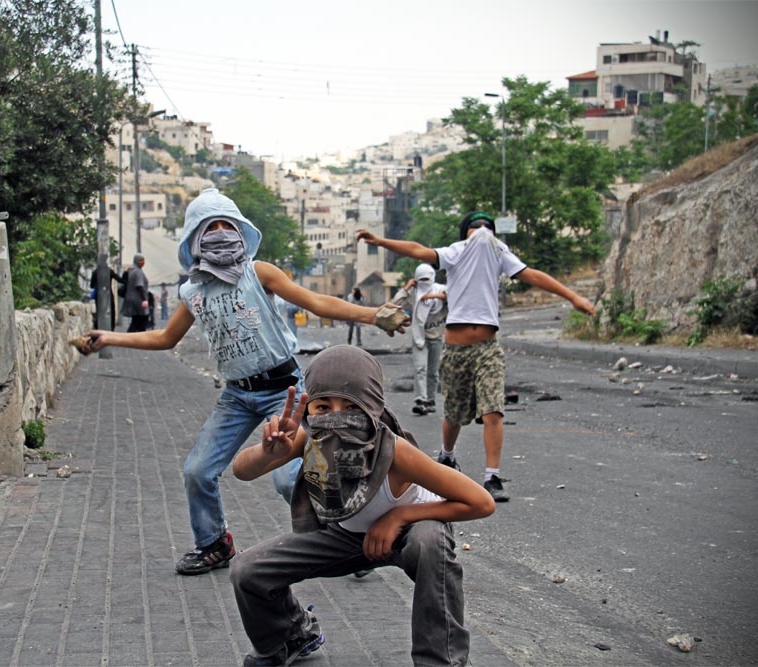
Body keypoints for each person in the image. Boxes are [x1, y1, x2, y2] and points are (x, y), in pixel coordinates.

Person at [78, 188, 409, 576]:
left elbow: (315, 302)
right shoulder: (192, 292)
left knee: (291, 479)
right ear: (195, 237)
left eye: (226, 225)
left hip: (285, 392)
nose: (220, 232)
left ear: (239, 231)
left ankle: (349, 536)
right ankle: (214, 543)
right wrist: (110, 336)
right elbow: (164, 338)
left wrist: (374, 315)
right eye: (210, 226)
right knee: (197, 471)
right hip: (237, 396)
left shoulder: (258, 273)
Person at [230, 345, 495, 667]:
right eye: (324, 406)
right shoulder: (308, 438)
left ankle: (441, 660)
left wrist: (400, 515)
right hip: (346, 534)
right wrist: (268, 452)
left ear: (372, 407)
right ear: (309, 406)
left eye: (351, 406)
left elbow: (481, 502)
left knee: (430, 543)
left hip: (412, 529)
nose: (337, 416)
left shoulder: (395, 450)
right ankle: (291, 635)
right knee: (247, 569)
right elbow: (242, 471)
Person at [357, 212, 596, 502]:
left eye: (488, 227)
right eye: (476, 227)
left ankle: (491, 476)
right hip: (456, 349)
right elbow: (418, 250)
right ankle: (446, 457)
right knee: (454, 415)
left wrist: (573, 297)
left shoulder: (499, 253)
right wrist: (378, 241)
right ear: (465, 233)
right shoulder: (456, 252)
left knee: (492, 409)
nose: (483, 232)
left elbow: (532, 274)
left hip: (488, 347)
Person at [392, 263, 448, 416]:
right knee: (420, 369)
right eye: (421, 279)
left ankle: (430, 400)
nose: (424, 282)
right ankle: (420, 400)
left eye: (426, 279)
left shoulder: (440, 289)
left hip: (436, 336)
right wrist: (406, 288)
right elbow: (394, 304)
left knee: (433, 371)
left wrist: (432, 296)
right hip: (419, 337)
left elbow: (455, 296)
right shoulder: (413, 294)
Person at [121, 254, 149, 332]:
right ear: (136, 261)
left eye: (143, 260)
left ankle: (135, 338)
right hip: (138, 299)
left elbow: (124, 280)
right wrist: (144, 299)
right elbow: (139, 286)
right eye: (141, 260)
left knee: (136, 320)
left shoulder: (131, 270)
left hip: (131, 298)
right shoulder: (138, 271)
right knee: (142, 319)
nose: (143, 262)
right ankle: (137, 338)